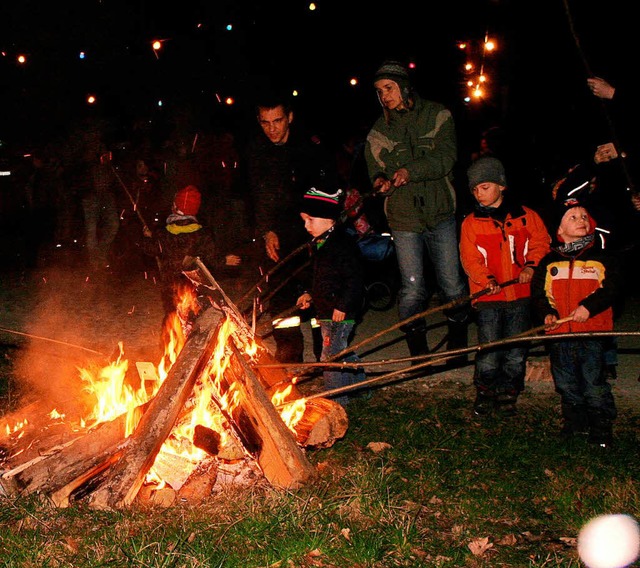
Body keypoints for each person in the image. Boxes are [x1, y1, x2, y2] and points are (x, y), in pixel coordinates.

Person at [364, 59, 469, 363]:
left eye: (389, 88)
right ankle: (418, 355)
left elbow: (446, 158)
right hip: (403, 217)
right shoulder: (378, 130)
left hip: (440, 213)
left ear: (405, 86)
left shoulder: (438, 115)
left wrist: (410, 171)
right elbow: (375, 168)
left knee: (451, 283)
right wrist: (380, 181)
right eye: (379, 91)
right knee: (412, 289)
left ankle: (458, 346)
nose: (384, 95)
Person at [245, 91, 336, 364]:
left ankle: (326, 358)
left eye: (277, 120)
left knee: (319, 297)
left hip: (311, 232)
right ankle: (290, 359)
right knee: (283, 303)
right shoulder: (257, 151)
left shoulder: (311, 147)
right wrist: (266, 231)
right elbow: (256, 197)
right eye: (265, 122)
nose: (272, 128)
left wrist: (318, 230)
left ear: (290, 117)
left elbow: (328, 191)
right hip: (278, 236)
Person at [460, 157, 551, 416]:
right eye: (475, 189)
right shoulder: (471, 223)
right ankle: (485, 391)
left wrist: (531, 267)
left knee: (515, 349)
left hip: (521, 296)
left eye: (485, 187)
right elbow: (470, 258)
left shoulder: (525, 216)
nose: (479, 193)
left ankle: (509, 391)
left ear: (501, 185)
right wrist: (486, 280)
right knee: (488, 349)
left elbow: (541, 242)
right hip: (489, 298)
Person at [531, 195, 622, 448]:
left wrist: (588, 307)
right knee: (566, 382)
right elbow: (540, 294)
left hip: (592, 333)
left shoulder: (601, 257)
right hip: (560, 335)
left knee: (593, 381)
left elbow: (611, 288)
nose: (580, 220)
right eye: (572, 217)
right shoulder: (550, 262)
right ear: (559, 230)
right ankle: (575, 422)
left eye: (583, 216)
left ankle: (601, 426)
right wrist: (546, 314)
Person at [296, 187, 365, 406]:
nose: (306, 226)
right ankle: (361, 386)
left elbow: (354, 279)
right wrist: (308, 293)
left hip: (341, 310)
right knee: (339, 351)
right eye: (305, 221)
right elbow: (319, 278)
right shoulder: (319, 244)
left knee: (330, 357)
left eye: (311, 220)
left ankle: (336, 402)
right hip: (325, 309)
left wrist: (343, 305)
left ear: (329, 220)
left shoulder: (342, 245)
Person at [141, 184, 241, 331]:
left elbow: (151, 249)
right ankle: (190, 333)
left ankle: (173, 341)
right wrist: (224, 260)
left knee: (172, 316)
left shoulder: (164, 234)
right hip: (193, 285)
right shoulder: (201, 234)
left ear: (175, 208)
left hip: (171, 285)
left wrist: (148, 238)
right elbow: (212, 257)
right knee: (193, 312)